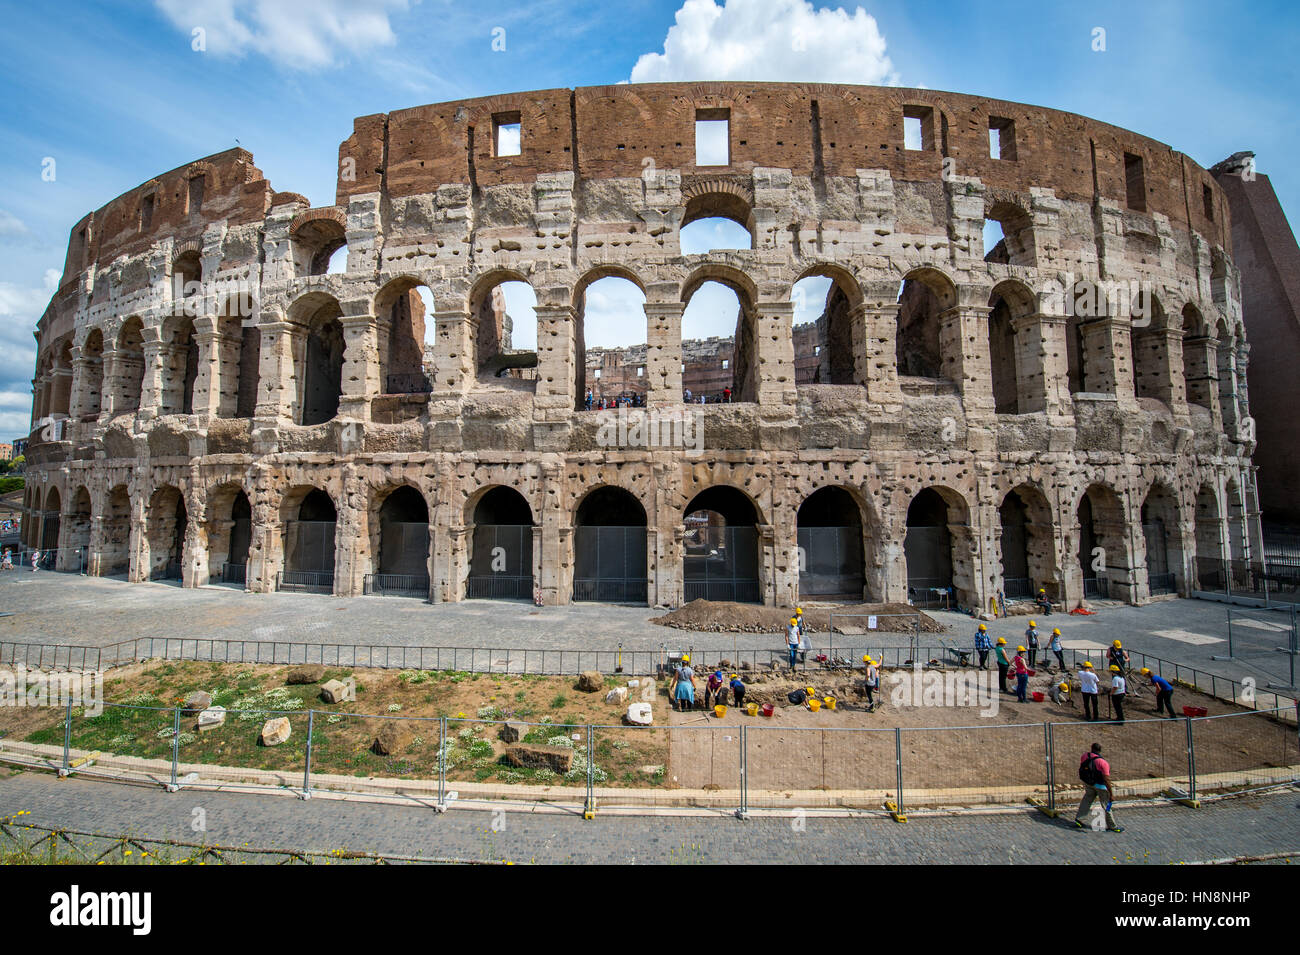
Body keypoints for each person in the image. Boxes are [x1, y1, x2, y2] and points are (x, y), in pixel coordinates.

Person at [1073, 743, 1123, 832]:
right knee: (1106, 805)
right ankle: (1112, 826)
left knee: (1086, 801)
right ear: (1100, 750)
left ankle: (1079, 819)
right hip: (1101, 786)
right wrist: (1111, 794)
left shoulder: (1085, 756)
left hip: (1089, 783)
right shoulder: (1103, 763)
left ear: (1091, 748)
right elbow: (1106, 779)